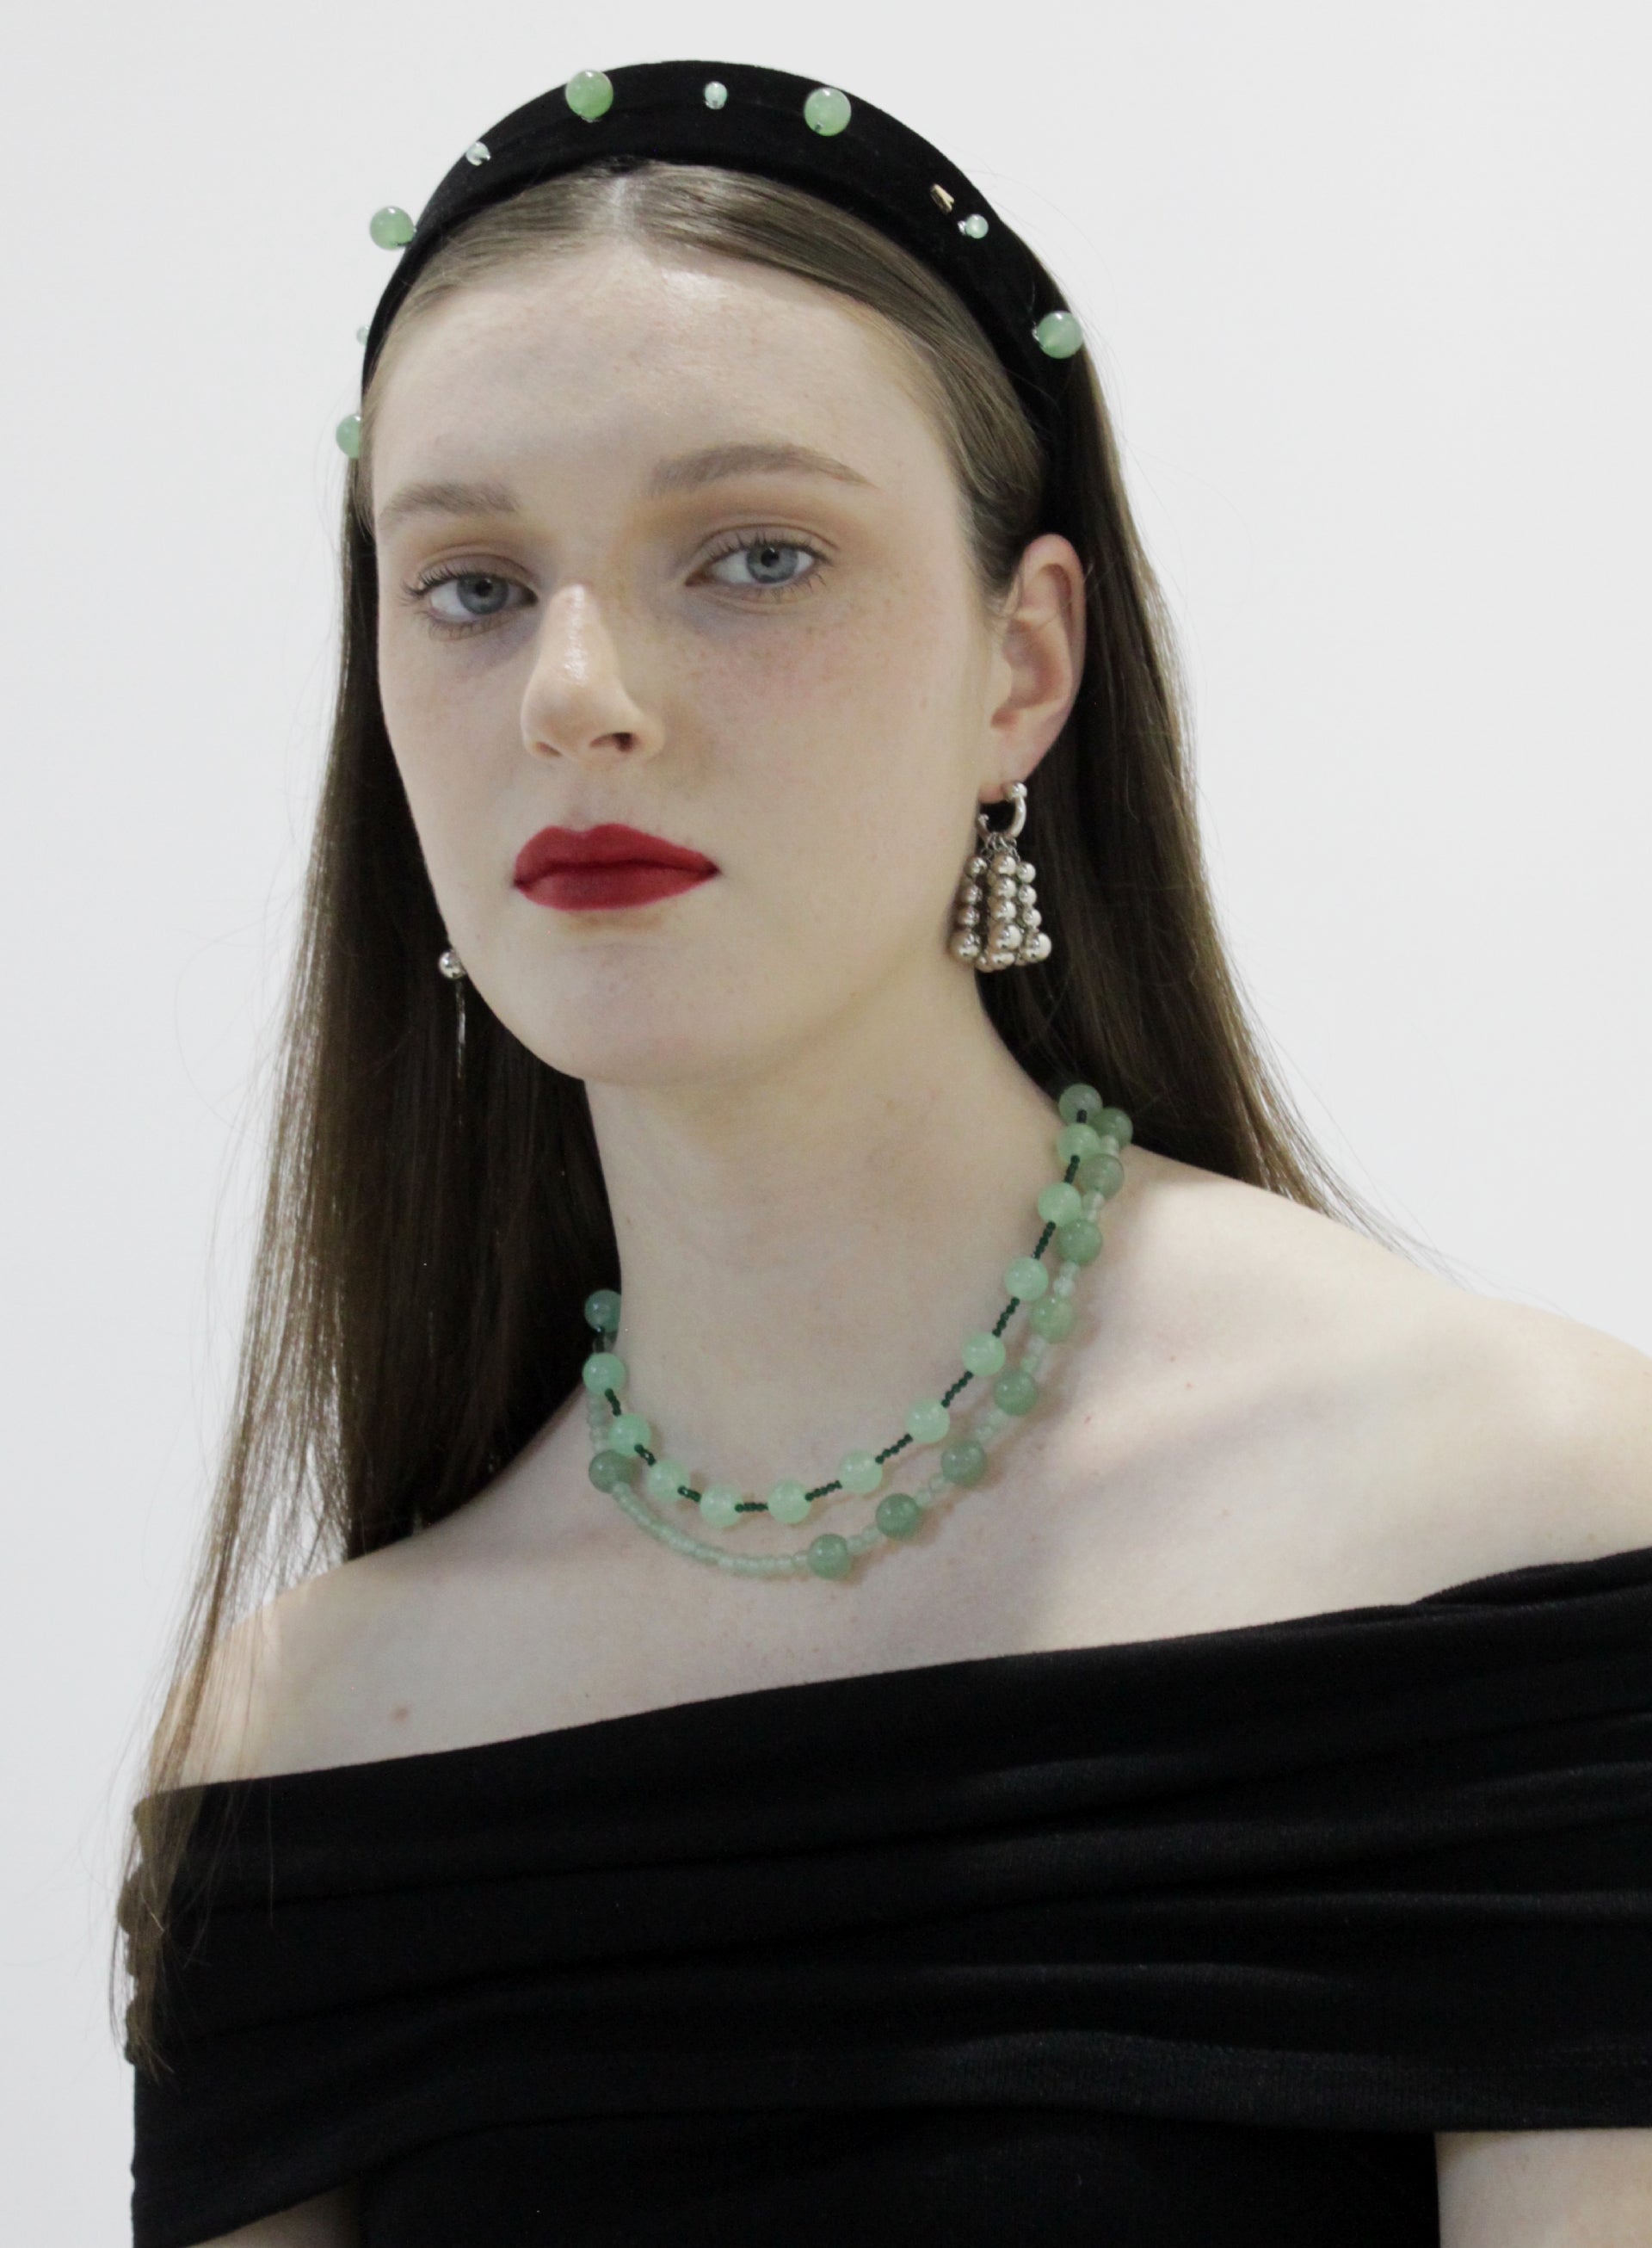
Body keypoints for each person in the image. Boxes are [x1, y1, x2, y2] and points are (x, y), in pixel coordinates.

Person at [118, 59, 1652, 2248]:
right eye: (466, 583)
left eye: (752, 555)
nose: (578, 690)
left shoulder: (1518, 1520)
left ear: (1023, 664)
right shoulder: (311, 1745)